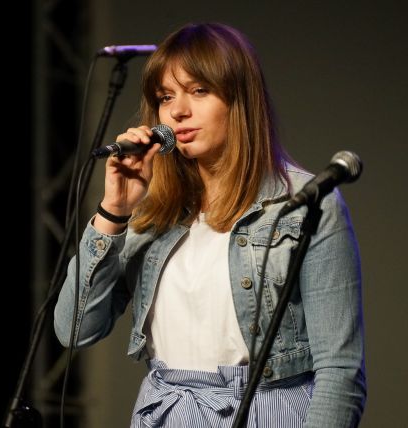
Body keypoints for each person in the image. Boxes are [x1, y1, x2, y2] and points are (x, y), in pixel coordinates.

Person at [54, 22, 366, 427]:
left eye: (199, 91)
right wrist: (114, 211)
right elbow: (73, 329)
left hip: (266, 412)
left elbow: (341, 371)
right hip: (165, 411)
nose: (179, 110)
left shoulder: (305, 201)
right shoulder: (152, 212)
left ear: (239, 98)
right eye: (166, 97)